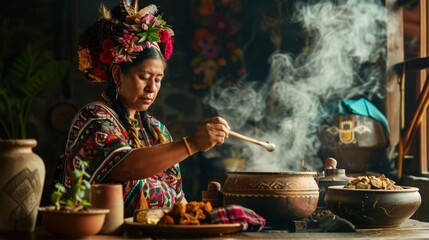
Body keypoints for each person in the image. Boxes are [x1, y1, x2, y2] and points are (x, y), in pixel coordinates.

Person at [52, 1, 230, 217]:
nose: (152, 88)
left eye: (158, 79)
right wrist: (192, 144)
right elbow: (126, 167)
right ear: (118, 74)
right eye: (144, 77)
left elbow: (177, 196)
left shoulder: (157, 130)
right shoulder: (94, 118)